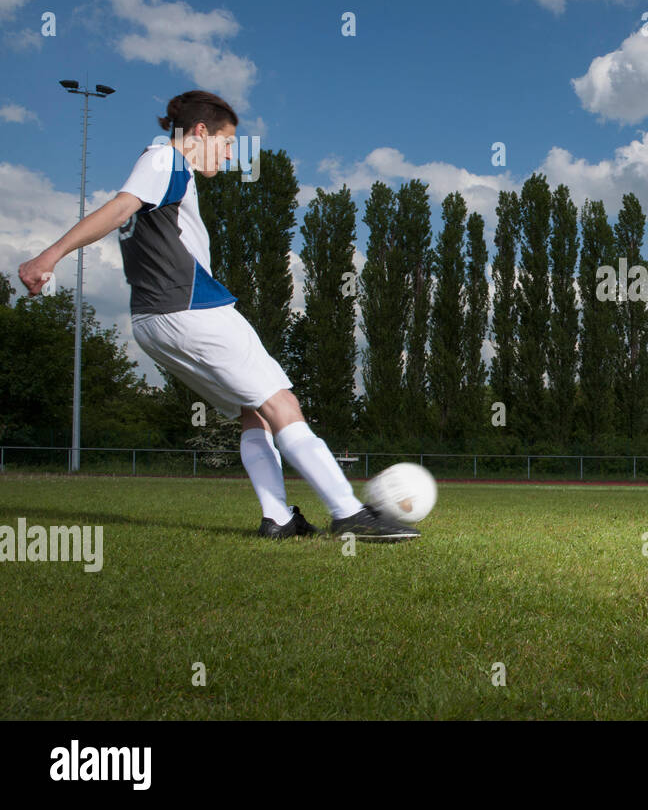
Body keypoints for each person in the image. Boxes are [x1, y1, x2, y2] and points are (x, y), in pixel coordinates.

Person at [18, 90, 416, 540]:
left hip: (152, 320)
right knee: (281, 402)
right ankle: (349, 513)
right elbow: (118, 210)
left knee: (256, 411)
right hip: (191, 309)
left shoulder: (159, 167)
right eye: (227, 144)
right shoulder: (164, 160)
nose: (229, 156)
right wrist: (48, 256)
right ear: (200, 132)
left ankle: (279, 519)